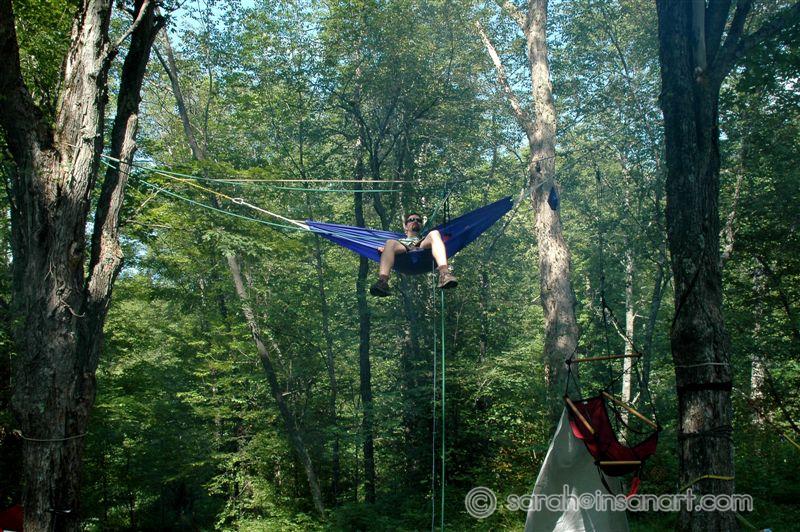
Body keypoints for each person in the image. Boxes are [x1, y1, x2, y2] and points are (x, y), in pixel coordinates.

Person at [369, 212, 458, 297]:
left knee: (435, 233)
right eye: (411, 220)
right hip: (404, 253)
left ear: (421, 225)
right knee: (389, 242)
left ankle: (445, 275)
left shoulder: (427, 238)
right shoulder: (397, 242)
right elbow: (389, 248)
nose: (415, 221)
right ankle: (383, 282)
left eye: (418, 220)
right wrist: (386, 250)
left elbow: (437, 242)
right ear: (406, 226)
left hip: (423, 249)